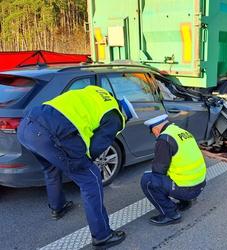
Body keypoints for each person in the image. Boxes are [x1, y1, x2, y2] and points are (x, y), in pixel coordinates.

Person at [17, 85, 138, 249]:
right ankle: (102, 236)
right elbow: (96, 147)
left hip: (26, 126)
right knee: (91, 178)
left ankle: (58, 207)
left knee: (51, 169)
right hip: (49, 134)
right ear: (125, 114)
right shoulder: (115, 117)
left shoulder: (98, 92)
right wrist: (84, 164)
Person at [141, 114, 206, 225]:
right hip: (200, 184)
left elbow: (158, 170)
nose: (154, 135)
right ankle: (186, 202)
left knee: (148, 180)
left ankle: (170, 215)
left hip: (187, 189)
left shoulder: (164, 139)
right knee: (170, 171)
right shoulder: (182, 132)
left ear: (156, 129)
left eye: (152, 132)